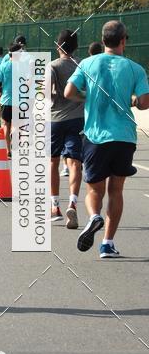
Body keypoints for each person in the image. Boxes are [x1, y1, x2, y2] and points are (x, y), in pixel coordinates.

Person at [65, 20, 149, 258]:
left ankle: (94, 217)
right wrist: (131, 101)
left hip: (95, 136)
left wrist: (88, 97)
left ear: (103, 41)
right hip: (124, 137)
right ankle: (107, 243)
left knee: (94, 190)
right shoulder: (135, 68)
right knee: (116, 190)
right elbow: (144, 102)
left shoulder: (88, 63)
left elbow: (68, 92)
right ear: (124, 40)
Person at [50, 29, 84, 227]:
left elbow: (45, 94)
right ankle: (73, 202)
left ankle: (55, 206)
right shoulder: (81, 65)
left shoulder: (52, 66)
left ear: (58, 46)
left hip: (55, 119)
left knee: (53, 162)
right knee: (74, 162)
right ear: (76, 46)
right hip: (77, 118)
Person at [0, 43, 22, 155]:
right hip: (19, 100)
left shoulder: (3, 66)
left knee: (6, 124)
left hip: (6, 99)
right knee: (16, 125)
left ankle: (8, 150)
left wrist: (0, 92)